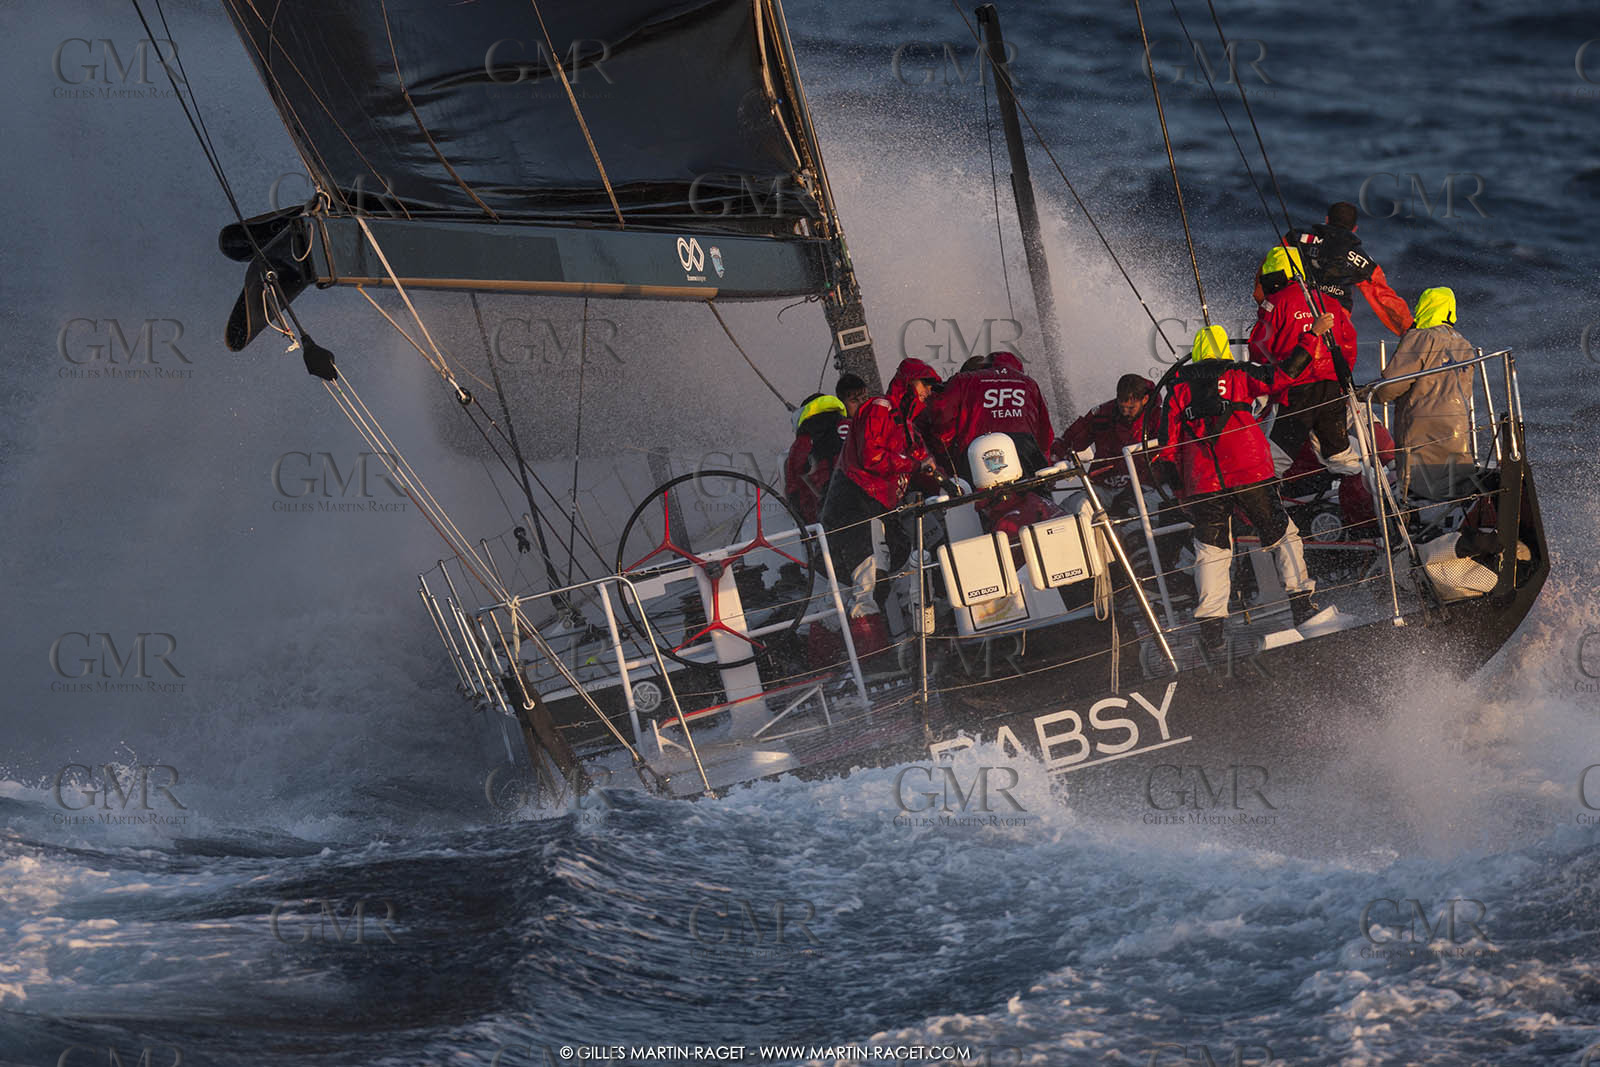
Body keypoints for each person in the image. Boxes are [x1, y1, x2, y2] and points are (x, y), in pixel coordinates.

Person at [1160, 326, 1321, 654]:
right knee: (1281, 534)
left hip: (1203, 481)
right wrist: (1312, 335)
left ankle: (1212, 630)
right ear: (1224, 349)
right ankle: (1302, 604)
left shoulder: (1176, 388)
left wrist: (1180, 492)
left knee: (1212, 552)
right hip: (1249, 471)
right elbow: (1286, 374)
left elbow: (1166, 449)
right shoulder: (1239, 374)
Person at [820, 358, 944, 654]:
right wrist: (913, 465)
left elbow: (923, 462)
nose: (928, 390)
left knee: (896, 574)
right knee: (868, 581)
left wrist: (945, 483)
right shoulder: (880, 408)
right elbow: (872, 457)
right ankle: (871, 659)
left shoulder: (907, 425)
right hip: (856, 504)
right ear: (909, 383)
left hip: (879, 508)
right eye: (925, 383)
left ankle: (914, 648)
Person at [1249, 245, 1363, 480]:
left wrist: (1267, 382)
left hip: (1295, 391)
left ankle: (1264, 499)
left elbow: (1259, 349)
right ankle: (1361, 494)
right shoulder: (1329, 302)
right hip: (1331, 388)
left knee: (1276, 457)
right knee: (1340, 455)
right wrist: (1340, 379)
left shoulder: (1275, 303)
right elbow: (1349, 345)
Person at [1364, 287, 1478, 502]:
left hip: (1422, 425)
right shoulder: (1464, 344)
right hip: (1457, 424)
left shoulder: (1420, 338)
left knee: (1416, 484)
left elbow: (1391, 386)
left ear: (1423, 308)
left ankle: (1412, 513)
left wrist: (1367, 394)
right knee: (1452, 481)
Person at [1284, 200, 1413, 345]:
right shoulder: (1363, 261)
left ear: (1327, 219)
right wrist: (1409, 330)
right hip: (1334, 320)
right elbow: (1383, 297)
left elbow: (1273, 265)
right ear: (1354, 228)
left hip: (1295, 309)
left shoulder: (1295, 237)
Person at [924, 350, 1055, 482]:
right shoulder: (1029, 383)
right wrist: (1045, 464)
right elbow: (1045, 435)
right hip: (1026, 458)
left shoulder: (963, 380)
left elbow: (941, 421)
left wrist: (946, 459)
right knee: (1034, 492)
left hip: (976, 460)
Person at [1053, 373, 1163, 508]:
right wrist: (1054, 460)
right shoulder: (1102, 414)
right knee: (1073, 507)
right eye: (1122, 407)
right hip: (1103, 485)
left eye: (1131, 408)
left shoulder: (1158, 419)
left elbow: (1172, 454)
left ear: (1145, 399)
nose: (1125, 412)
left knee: (1128, 508)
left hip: (1144, 486)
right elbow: (1069, 441)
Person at [783, 393, 849, 527]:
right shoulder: (855, 426)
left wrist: (808, 525)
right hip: (868, 509)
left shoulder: (803, 442)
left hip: (827, 519)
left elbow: (793, 489)